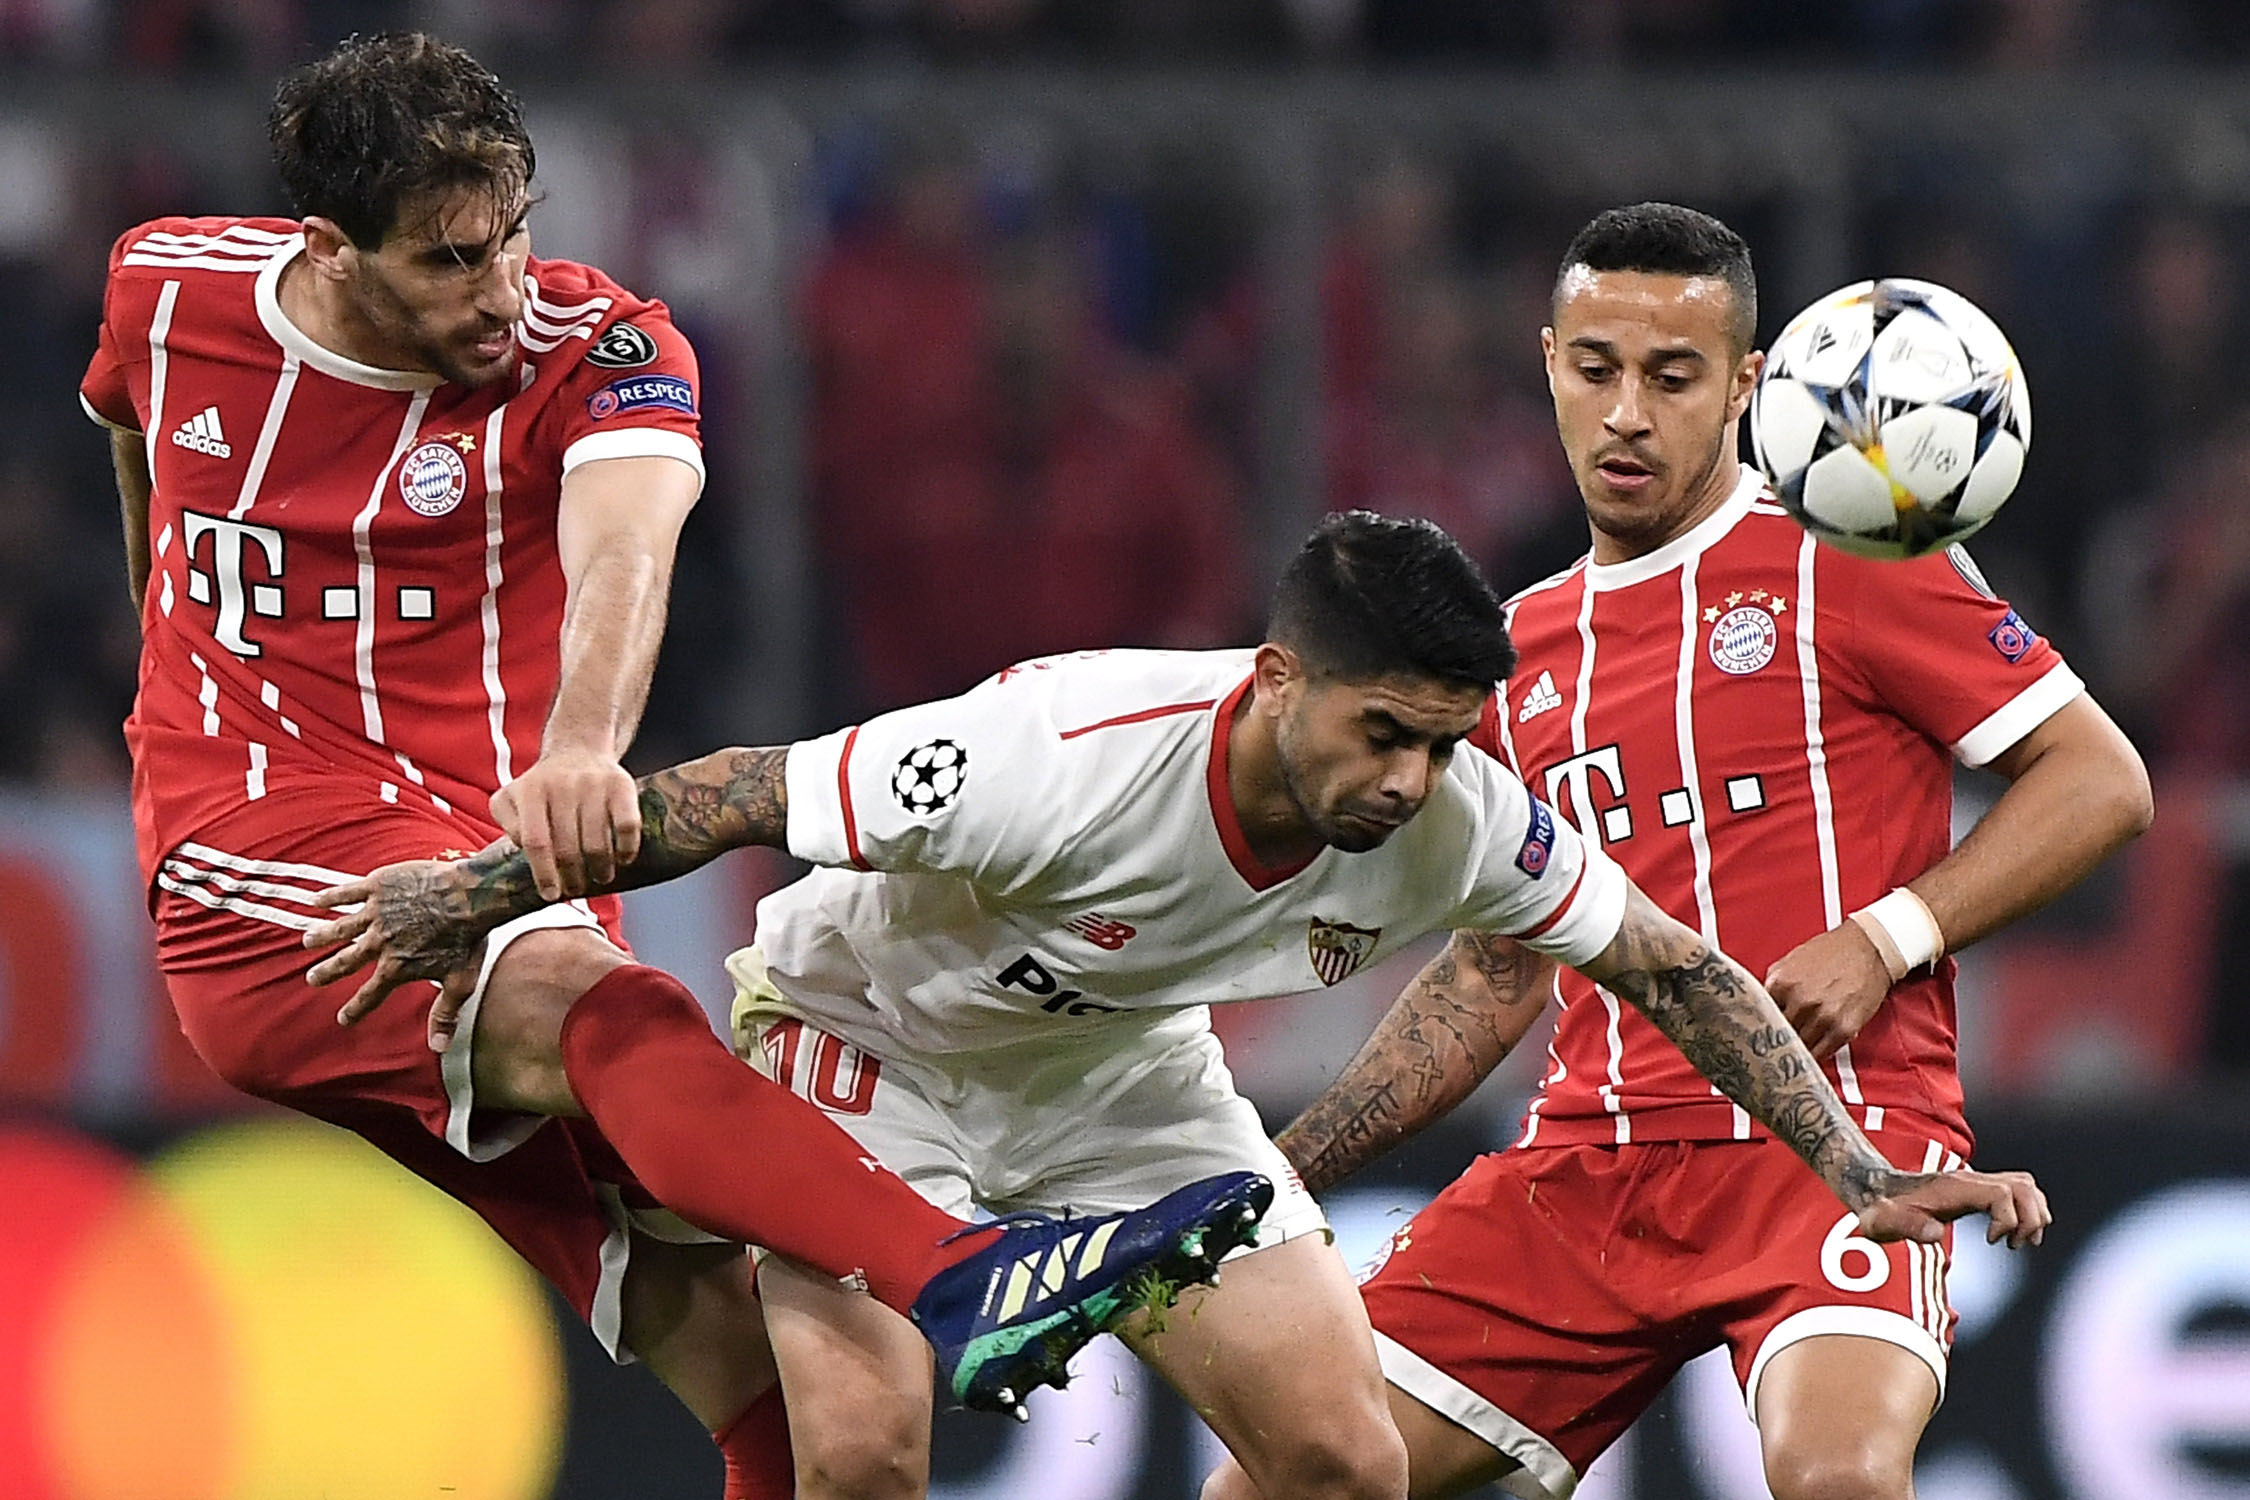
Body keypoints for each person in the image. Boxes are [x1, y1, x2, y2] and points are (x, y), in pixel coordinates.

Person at [76, 32, 1269, 1500]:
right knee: (610, 1012)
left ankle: (942, 1287)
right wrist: (165, 661)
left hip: (495, 857)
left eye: (513, 236)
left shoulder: (603, 347)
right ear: (329, 248)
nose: (501, 291)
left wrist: (584, 750)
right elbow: (132, 424)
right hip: (263, 862)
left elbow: (625, 552)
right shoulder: (171, 285)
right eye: (450, 259)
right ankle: (963, 1275)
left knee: (754, 1369)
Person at [308, 510, 2049, 1500]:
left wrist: (1853, 1171)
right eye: (1383, 733)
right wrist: (470, 895)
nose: (1409, 779)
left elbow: (1666, 964)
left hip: (1121, 1087)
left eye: (1443, 741)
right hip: (870, 1044)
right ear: (1278, 681)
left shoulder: (1454, 815)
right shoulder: (1057, 752)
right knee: (859, 1461)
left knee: (1341, 1466)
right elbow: (736, 794)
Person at [1252, 204, 2153, 1500]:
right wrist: (1281, 1173)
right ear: (1550, 364)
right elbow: (1497, 971)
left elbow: (2100, 780)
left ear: (1742, 387)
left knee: (1838, 1478)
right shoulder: (1513, 654)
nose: (1625, 414)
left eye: (1670, 378)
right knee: (1282, 1482)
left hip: (1838, 1137)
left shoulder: (1849, 555)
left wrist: (1885, 937)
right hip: (1586, 1161)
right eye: (1595, 369)